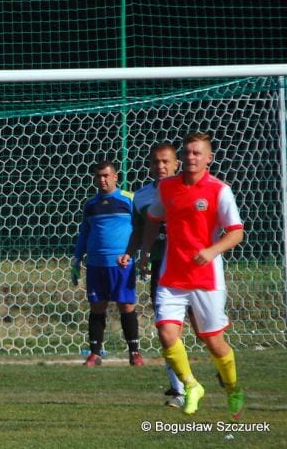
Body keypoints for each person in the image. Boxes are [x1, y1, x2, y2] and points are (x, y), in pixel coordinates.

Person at [139, 132, 245, 419]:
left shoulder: (219, 190)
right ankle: (190, 385)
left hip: (206, 278)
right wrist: (146, 252)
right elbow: (153, 218)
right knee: (166, 332)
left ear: (208, 158)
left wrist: (212, 251)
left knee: (213, 341)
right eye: (187, 152)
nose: (191, 158)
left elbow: (236, 232)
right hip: (172, 275)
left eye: (197, 153)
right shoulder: (168, 188)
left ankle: (233, 388)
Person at [72, 160, 143, 367]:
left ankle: (134, 352)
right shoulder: (90, 204)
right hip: (96, 264)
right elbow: (85, 232)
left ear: (115, 177)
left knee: (126, 306)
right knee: (96, 307)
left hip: (122, 264)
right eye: (98, 176)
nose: (102, 180)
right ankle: (95, 353)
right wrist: (77, 259)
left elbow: (140, 230)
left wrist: (136, 255)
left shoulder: (130, 200)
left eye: (106, 175)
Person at [132, 143, 187, 407]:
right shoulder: (141, 197)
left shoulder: (191, 189)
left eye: (166, 161)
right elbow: (139, 231)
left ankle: (223, 369)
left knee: (206, 330)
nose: (161, 167)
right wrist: (136, 256)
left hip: (194, 266)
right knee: (166, 328)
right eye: (155, 162)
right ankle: (178, 390)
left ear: (177, 163)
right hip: (162, 269)